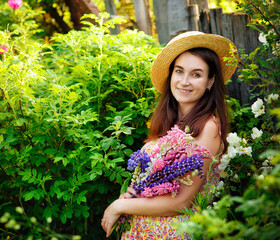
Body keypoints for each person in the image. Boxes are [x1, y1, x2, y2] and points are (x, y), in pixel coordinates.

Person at [101, 31, 238, 239]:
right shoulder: (168, 122)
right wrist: (129, 197)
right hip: (141, 231)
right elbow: (146, 185)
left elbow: (181, 202)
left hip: (175, 233)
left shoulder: (208, 127)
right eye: (179, 71)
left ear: (210, 81)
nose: (184, 81)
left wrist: (119, 206)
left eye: (196, 74)